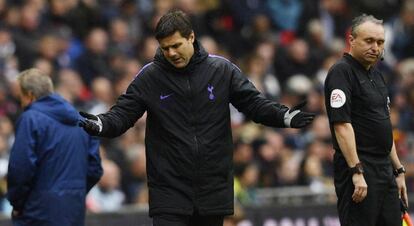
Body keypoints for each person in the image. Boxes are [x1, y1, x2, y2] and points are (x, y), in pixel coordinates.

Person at [79, 10, 315, 226]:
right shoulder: (149, 77)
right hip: (169, 188)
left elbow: (254, 103)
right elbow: (122, 115)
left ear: (191, 37)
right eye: (165, 48)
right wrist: (101, 124)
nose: (171, 53)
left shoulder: (222, 70)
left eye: (176, 45)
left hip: (212, 186)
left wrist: (283, 116)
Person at [324, 14, 408, 226]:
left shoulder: (377, 76)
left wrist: (398, 170)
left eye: (380, 42)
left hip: (384, 170)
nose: (375, 47)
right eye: (368, 41)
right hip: (360, 167)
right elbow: (341, 125)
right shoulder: (341, 72)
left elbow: (384, 126)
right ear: (351, 40)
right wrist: (356, 171)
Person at [7, 68, 103, 226]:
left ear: (30, 95)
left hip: (36, 212)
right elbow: (94, 169)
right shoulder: (82, 121)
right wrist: (73, 193)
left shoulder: (30, 119)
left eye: (21, 98)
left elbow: (21, 168)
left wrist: (17, 203)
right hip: (73, 210)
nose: (21, 104)